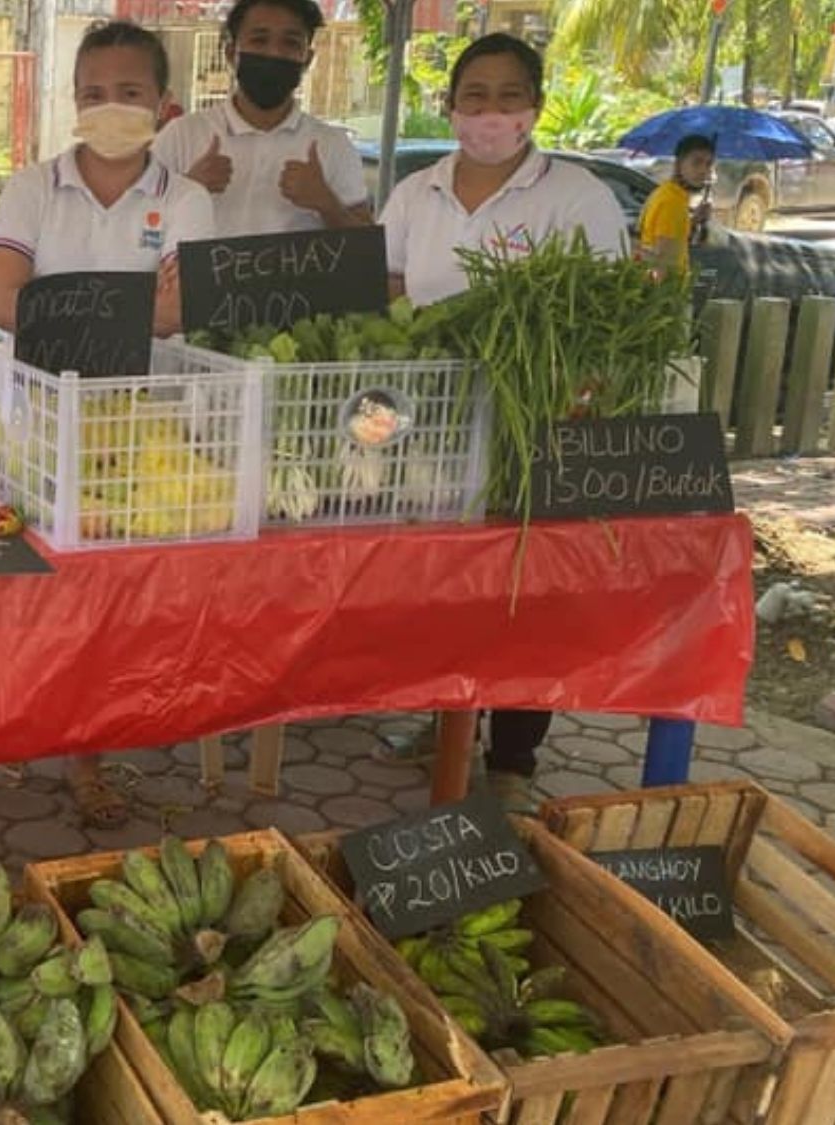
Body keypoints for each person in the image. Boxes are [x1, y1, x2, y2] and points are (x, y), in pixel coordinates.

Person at [0, 19, 214, 827]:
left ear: (162, 104)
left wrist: (65, 310)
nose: (109, 107)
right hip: (24, 422)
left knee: (95, 611)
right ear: (72, 100)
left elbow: (185, 307)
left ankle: (87, 759)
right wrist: (134, 310)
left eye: (128, 93)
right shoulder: (31, 187)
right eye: (93, 93)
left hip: (135, 435)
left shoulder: (187, 200)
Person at [379, 33, 629, 813]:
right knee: (444, 579)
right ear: (450, 106)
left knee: (524, 585)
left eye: (509, 95)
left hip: (532, 414)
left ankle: (513, 754)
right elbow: (386, 287)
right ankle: (446, 710)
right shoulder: (416, 192)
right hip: (432, 421)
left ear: (537, 107)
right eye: (475, 95)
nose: (491, 111)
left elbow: (605, 310)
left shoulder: (576, 194)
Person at [152, 0, 370, 236]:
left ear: (307, 59)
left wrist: (327, 204)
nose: (274, 52)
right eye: (259, 40)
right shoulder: (181, 136)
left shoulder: (333, 145)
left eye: (290, 43)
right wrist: (186, 190)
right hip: (199, 274)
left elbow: (367, 247)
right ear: (230, 53)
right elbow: (134, 230)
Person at [638, 134, 714, 272]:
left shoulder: (669, 193)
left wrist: (694, 220)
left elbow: (671, 238)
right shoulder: (672, 202)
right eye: (696, 162)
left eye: (708, 164)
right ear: (678, 164)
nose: (704, 171)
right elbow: (664, 262)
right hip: (666, 290)